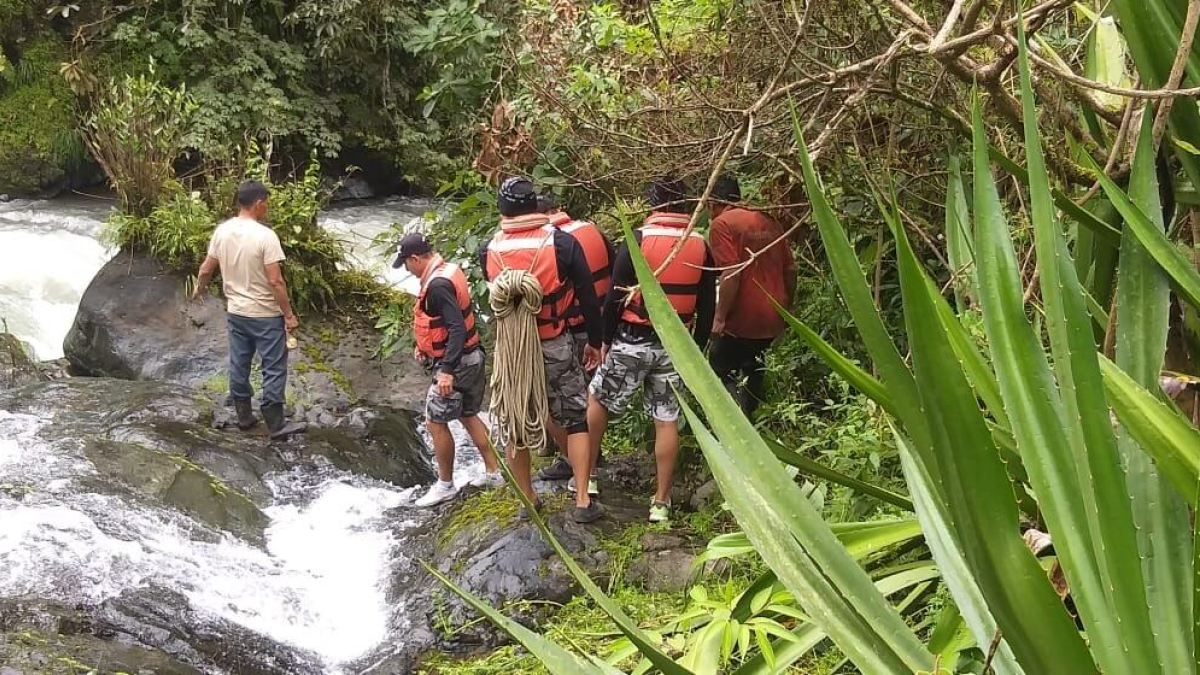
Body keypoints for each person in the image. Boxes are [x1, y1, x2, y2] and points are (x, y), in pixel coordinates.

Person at [587, 177, 717, 523]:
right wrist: (697, 348)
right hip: (675, 345)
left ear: (654, 205)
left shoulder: (639, 240)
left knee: (598, 399)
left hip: (632, 338)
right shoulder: (701, 244)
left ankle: (586, 479)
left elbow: (615, 297)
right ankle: (660, 502)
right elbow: (707, 308)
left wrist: (603, 340)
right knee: (666, 419)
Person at [480, 177, 604, 523]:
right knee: (576, 419)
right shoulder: (562, 244)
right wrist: (595, 341)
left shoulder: (488, 249)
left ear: (503, 209)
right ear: (534, 205)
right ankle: (582, 501)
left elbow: (500, 300)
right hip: (555, 344)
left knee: (516, 418)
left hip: (513, 351)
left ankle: (528, 499)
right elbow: (588, 297)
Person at [395, 233, 505, 507]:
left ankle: (445, 484)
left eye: (406, 264)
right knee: (468, 413)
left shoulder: (438, 285)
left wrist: (446, 370)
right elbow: (445, 323)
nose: (407, 270)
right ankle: (494, 472)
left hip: (457, 364)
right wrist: (425, 347)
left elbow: (455, 328)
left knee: (435, 421)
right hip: (472, 356)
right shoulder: (449, 270)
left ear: (415, 258)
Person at [193, 180, 307, 441]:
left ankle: (244, 416)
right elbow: (276, 281)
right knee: (274, 366)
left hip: (236, 312)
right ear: (258, 203)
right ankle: (275, 422)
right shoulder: (265, 236)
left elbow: (206, 269)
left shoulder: (222, 231)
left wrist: (200, 289)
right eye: (266, 202)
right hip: (265, 314)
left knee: (239, 362)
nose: (266, 207)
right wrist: (288, 314)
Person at [536, 193, 614, 495]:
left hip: (572, 330)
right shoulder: (591, 229)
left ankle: (576, 462)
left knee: (568, 401)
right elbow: (615, 262)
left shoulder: (553, 242)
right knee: (591, 396)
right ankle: (589, 456)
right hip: (601, 322)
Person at [706, 175, 796, 416]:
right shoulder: (769, 220)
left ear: (713, 203)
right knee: (752, 363)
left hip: (743, 318)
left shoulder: (722, 224)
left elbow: (731, 272)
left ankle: (736, 424)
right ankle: (751, 417)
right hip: (772, 315)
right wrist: (787, 308)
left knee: (718, 365)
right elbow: (790, 270)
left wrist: (719, 317)